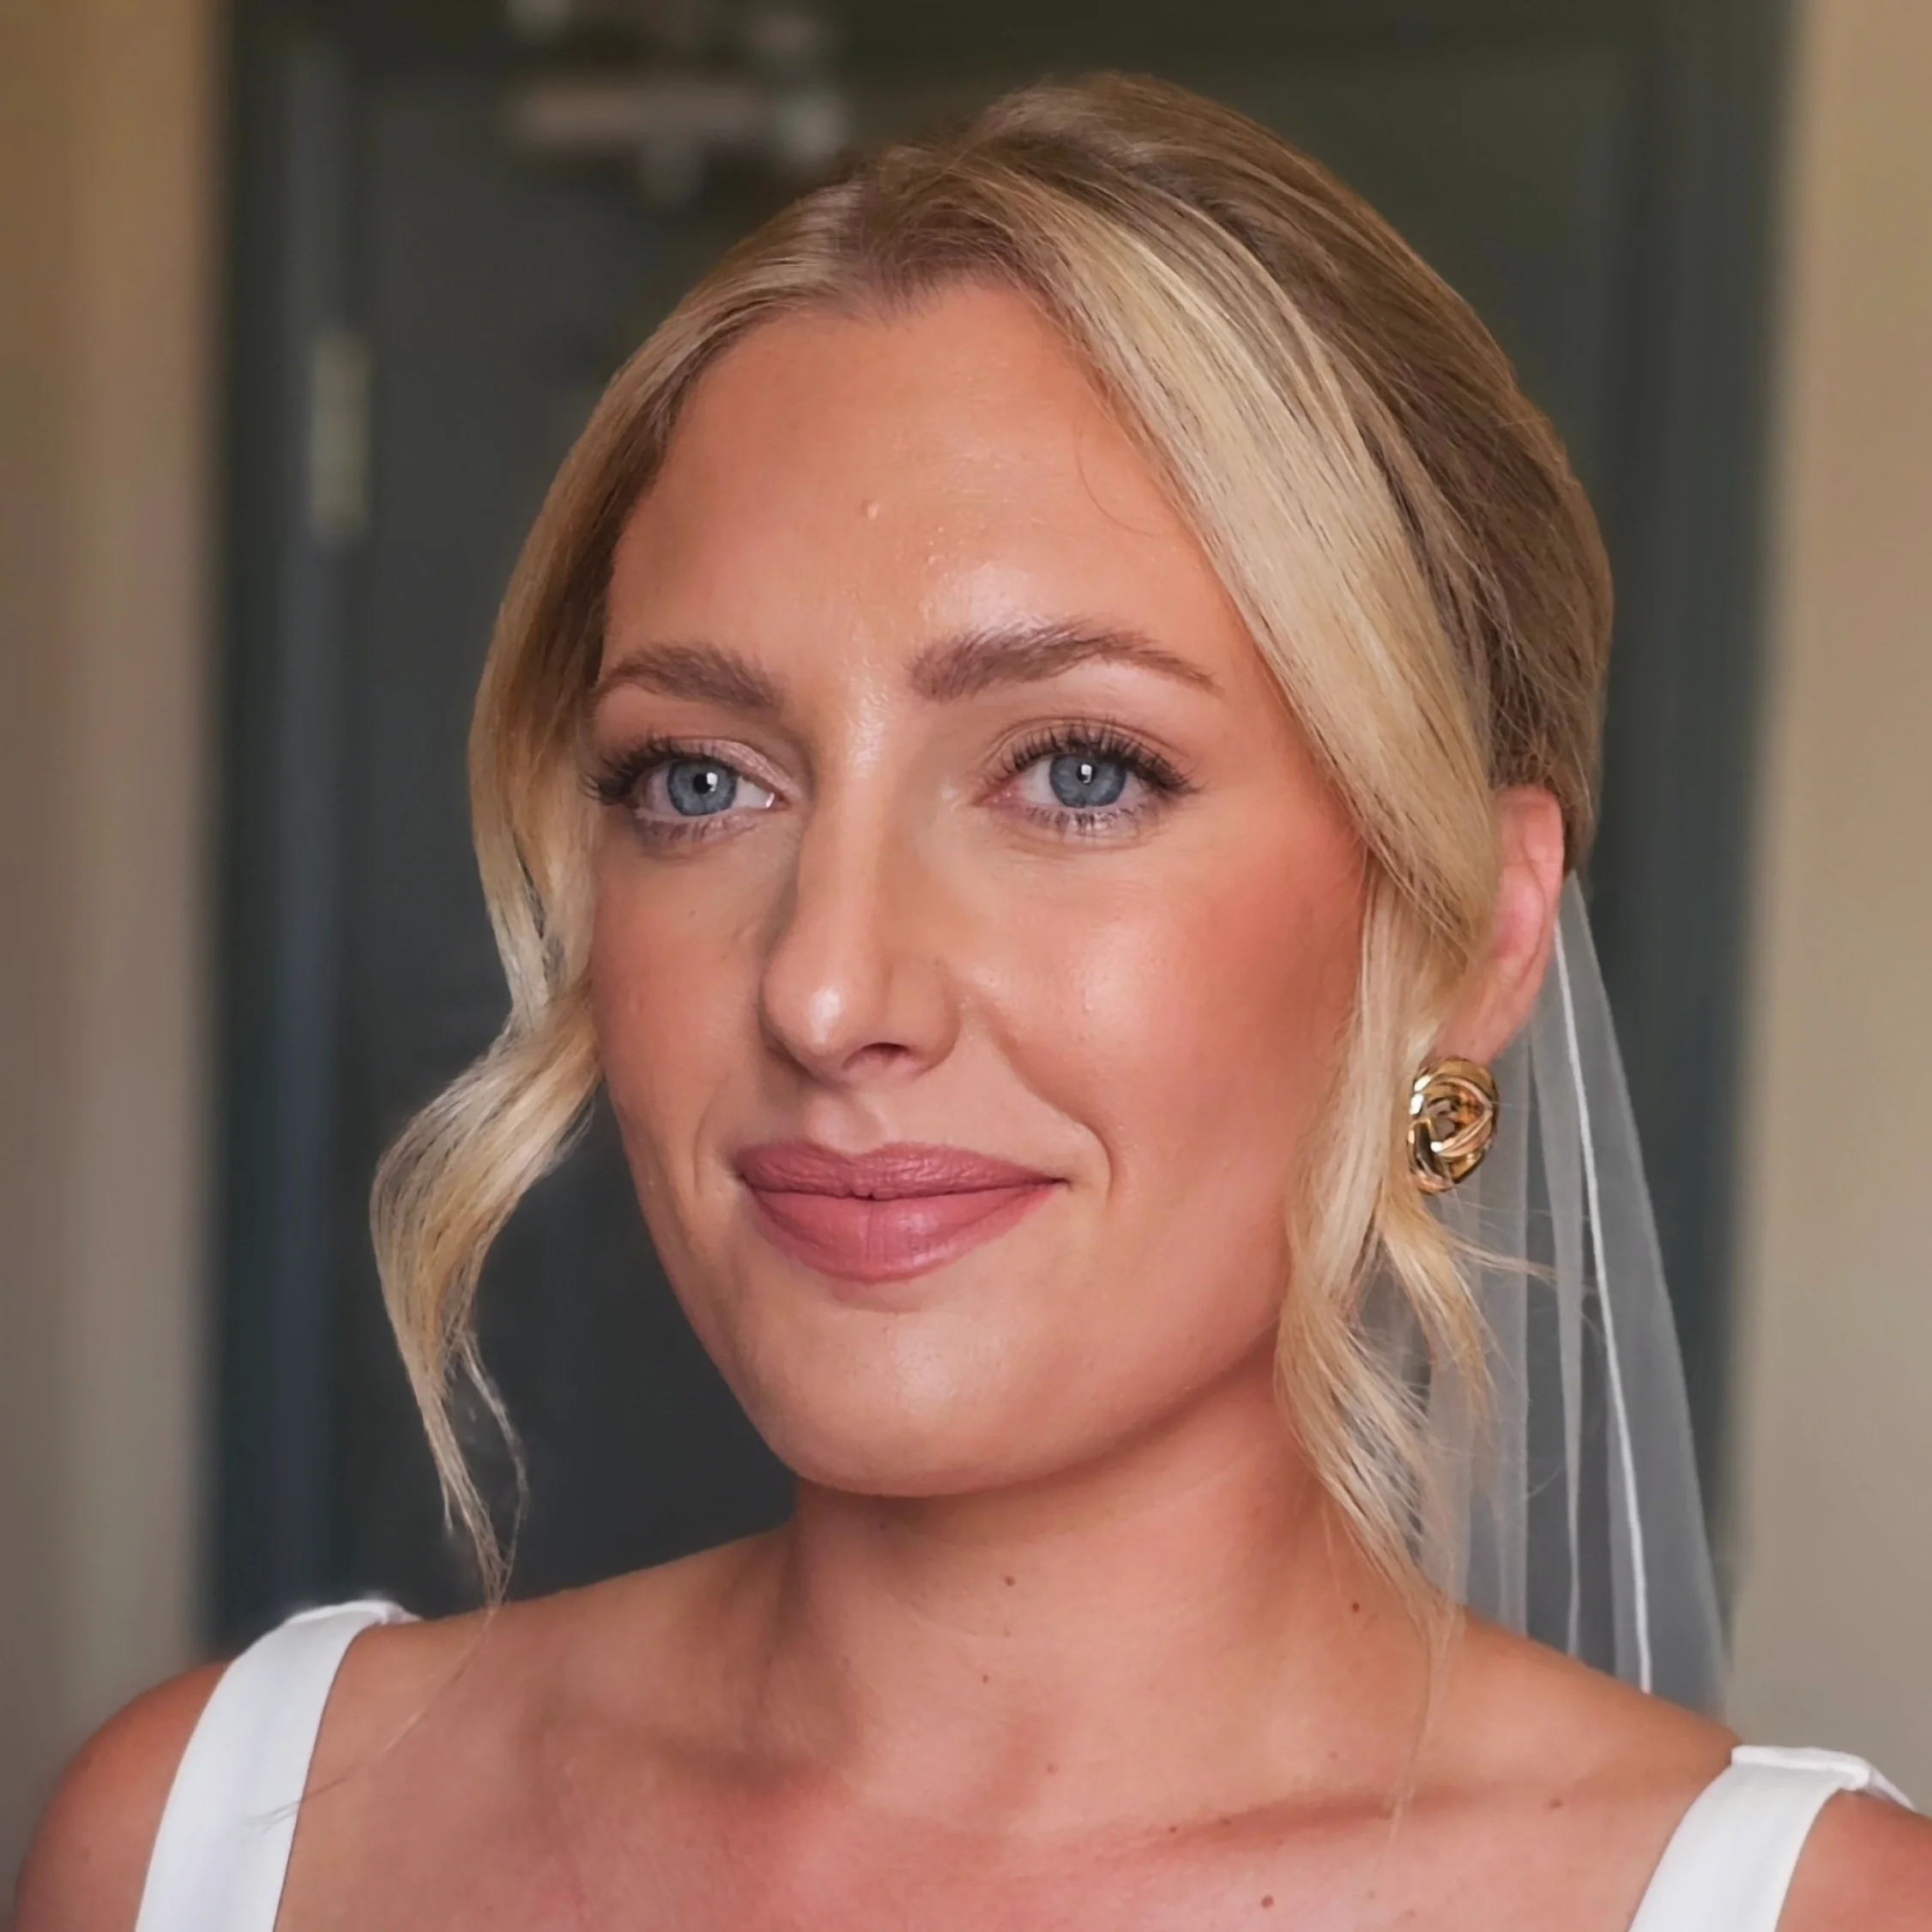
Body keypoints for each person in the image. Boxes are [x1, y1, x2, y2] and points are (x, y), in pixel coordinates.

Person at [17, 74, 1931, 1932]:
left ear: (1467, 942)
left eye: (1079, 773)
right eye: (700, 779)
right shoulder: (220, 1841)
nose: (823, 989)